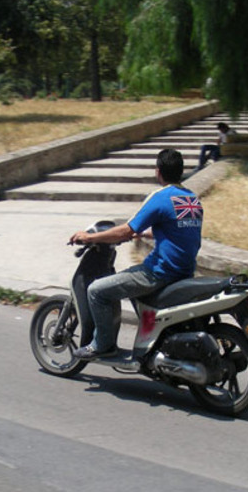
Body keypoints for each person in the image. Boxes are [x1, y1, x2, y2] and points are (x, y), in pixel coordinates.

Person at [68, 148, 203, 360]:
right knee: (127, 284)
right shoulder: (192, 200)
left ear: (158, 172)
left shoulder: (161, 197)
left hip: (159, 272)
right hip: (184, 271)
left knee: (97, 290)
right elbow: (178, 231)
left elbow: (126, 229)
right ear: (181, 171)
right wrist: (146, 234)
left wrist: (89, 237)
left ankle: (102, 345)